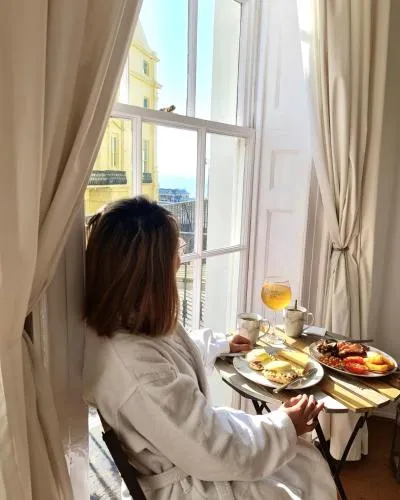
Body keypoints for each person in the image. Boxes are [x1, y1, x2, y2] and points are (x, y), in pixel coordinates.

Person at [82, 197, 336, 500]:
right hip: (191, 486)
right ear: (151, 270)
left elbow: (171, 361)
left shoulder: (127, 324)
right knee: (304, 470)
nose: (180, 261)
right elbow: (214, 450)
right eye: (175, 252)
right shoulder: (137, 370)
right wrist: (285, 425)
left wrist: (219, 344)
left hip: (191, 457)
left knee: (304, 462)